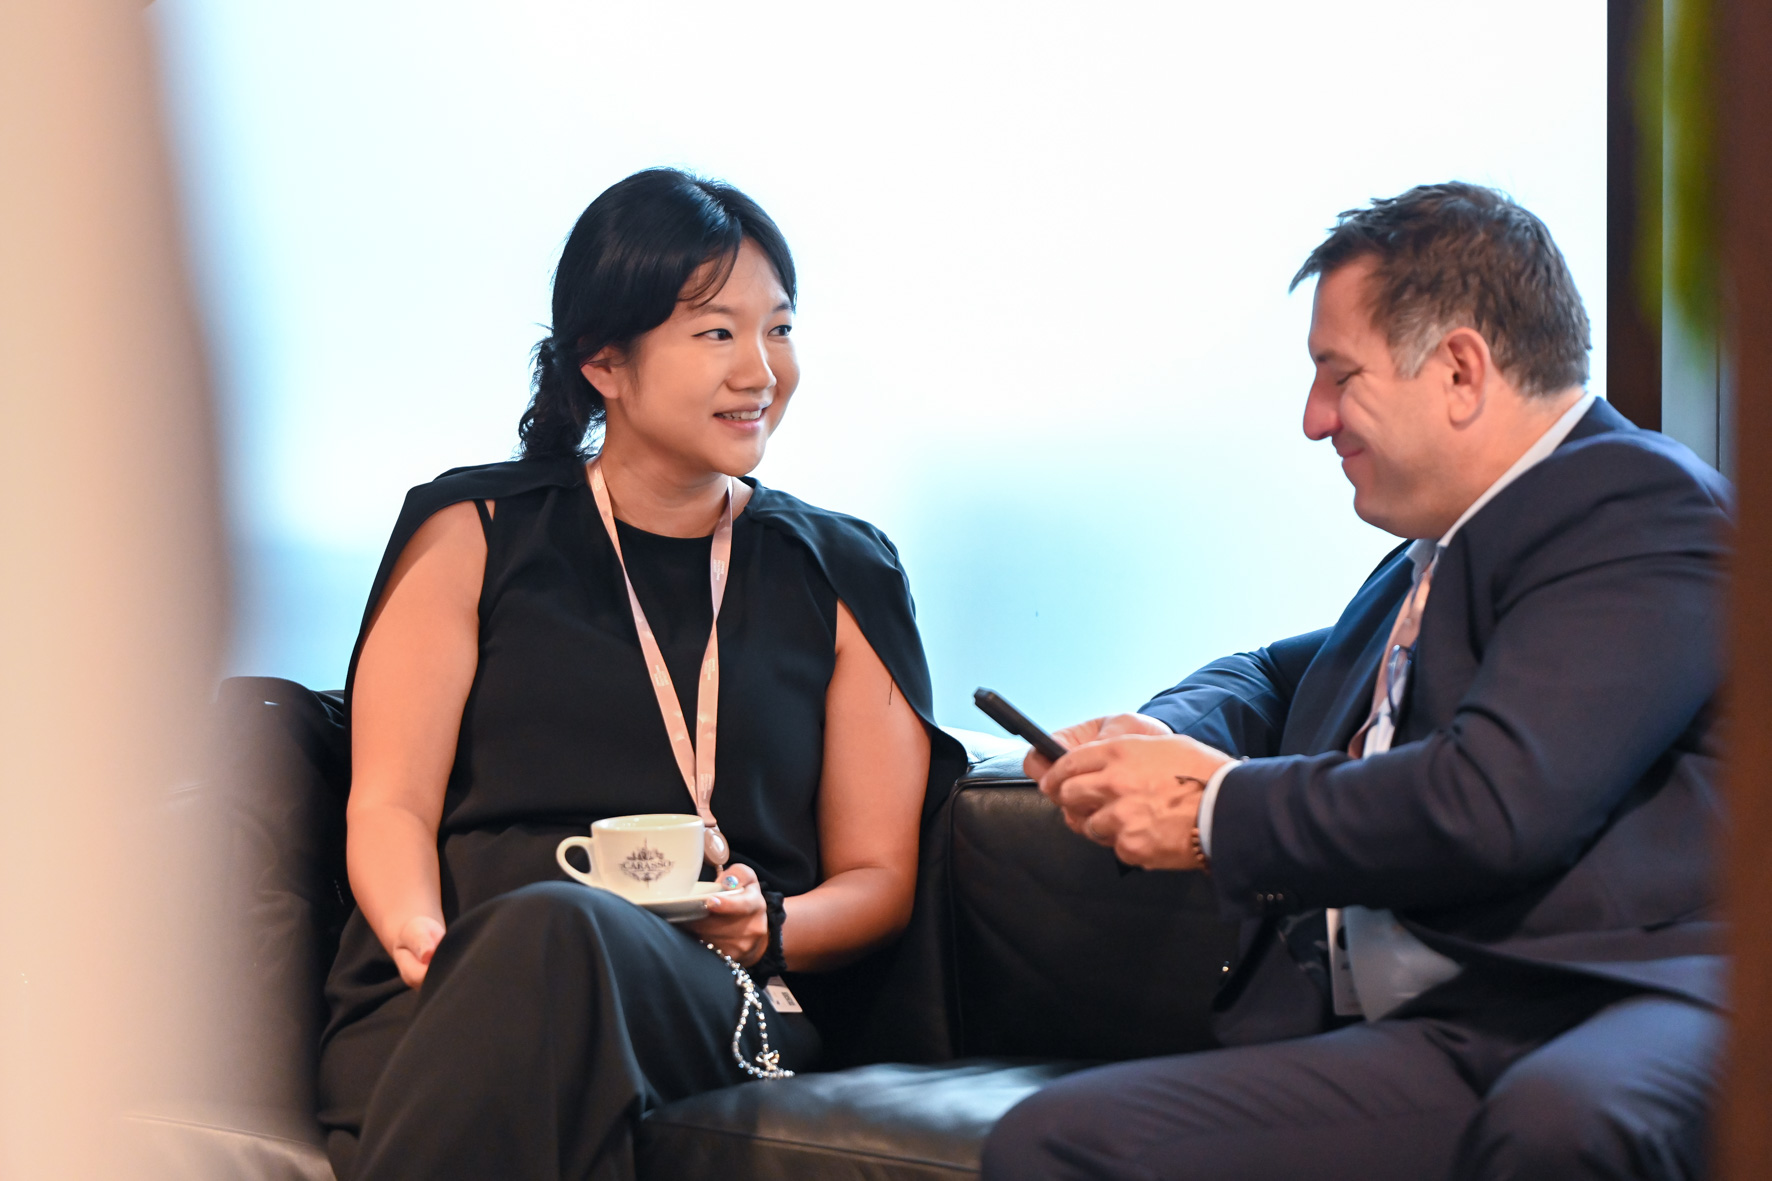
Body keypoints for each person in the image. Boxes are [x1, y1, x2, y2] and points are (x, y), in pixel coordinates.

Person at [982, 183, 1729, 1181]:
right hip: (1454, 1026)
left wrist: (1210, 809)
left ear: (1459, 368)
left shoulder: (1640, 508)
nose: (1312, 419)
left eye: (1338, 375)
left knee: (1564, 1122)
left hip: (1611, 1000)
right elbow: (1268, 673)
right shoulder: (1424, 563)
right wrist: (1159, 736)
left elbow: (1493, 801)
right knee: (1058, 1140)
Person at [316, 167, 963, 1181]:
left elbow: (877, 879)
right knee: (538, 943)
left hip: (712, 994)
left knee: (561, 930)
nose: (760, 370)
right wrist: (420, 935)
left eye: (779, 329)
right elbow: (390, 800)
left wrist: (771, 925)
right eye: (716, 333)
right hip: (443, 979)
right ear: (603, 361)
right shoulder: (472, 531)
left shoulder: (841, 570)